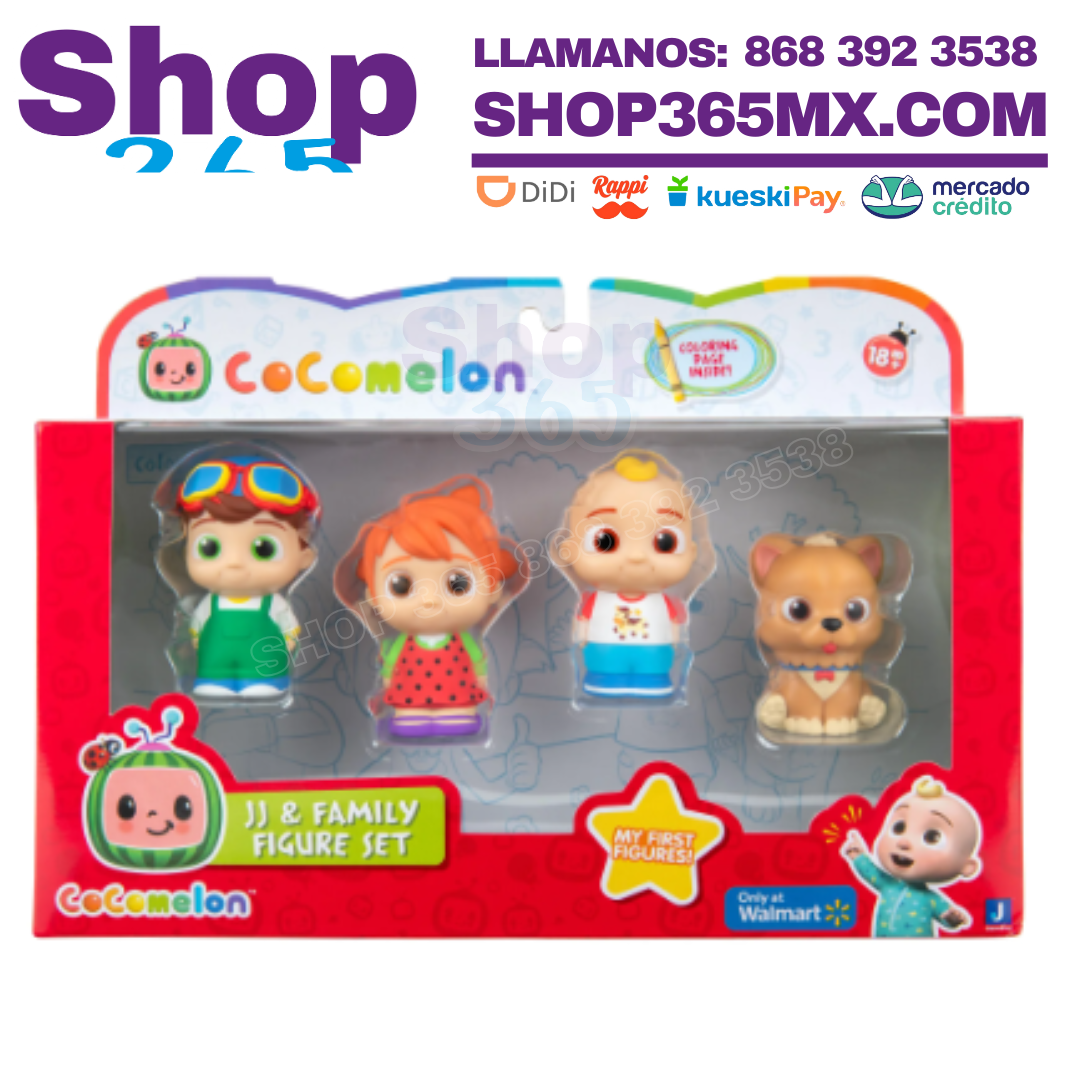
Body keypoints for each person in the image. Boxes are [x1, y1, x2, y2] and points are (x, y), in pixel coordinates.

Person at [842, 776, 982, 937]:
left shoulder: (931, 899)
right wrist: (858, 855)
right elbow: (871, 872)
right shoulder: (888, 885)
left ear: (967, 866)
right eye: (899, 827)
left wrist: (953, 918)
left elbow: (947, 917)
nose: (903, 842)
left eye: (932, 837)